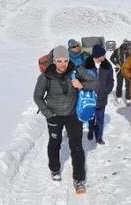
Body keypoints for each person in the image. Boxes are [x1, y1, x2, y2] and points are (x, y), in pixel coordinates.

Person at [33, 45, 99, 193]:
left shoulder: (76, 71)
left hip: (73, 115)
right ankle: (55, 169)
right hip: (54, 115)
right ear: (53, 61)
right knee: (54, 143)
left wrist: (81, 85)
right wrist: (48, 113)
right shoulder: (45, 76)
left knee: (76, 146)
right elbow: (37, 96)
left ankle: (79, 178)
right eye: (59, 61)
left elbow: (96, 83)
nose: (63, 64)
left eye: (66, 60)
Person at [84, 45, 115, 145]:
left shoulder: (107, 65)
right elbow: (81, 78)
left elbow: (111, 80)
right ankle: (91, 130)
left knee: (100, 119)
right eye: (103, 55)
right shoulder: (86, 64)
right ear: (97, 55)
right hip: (90, 97)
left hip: (102, 96)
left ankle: (99, 137)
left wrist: (107, 90)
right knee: (91, 118)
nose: (105, 57)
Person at [110, 39, 131, 105]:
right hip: (120, 70)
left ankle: (128, 98)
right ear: (121, 49)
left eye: (126, 51)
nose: (125, 52)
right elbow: (111, 58)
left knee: (128, 84)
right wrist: (116, 64)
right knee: (119, 84)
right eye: (123, 51)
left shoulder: (130, 51)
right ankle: (119, 96)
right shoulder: (117, 51)